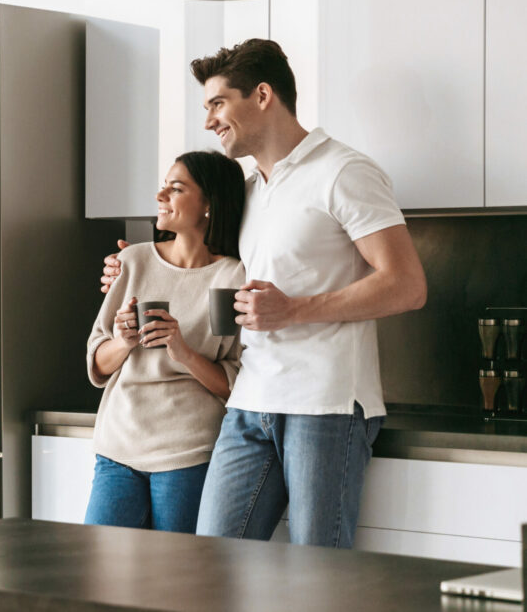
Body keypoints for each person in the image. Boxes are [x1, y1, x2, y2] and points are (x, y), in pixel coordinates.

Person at [99, 39, 427, 548]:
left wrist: (294, 310)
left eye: (217, 104)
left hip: (326, 405)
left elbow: (407, 285)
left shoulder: (344, 172)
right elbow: (200, 267)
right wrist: (128, 265)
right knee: (210, 564)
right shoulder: (249, 192)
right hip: (250, 402)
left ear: (263, 95)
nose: (208, 121)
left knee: (318, 575)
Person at [84, 150, 246, 533]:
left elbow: (233, 384)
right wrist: (123, 342)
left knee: (177, 582)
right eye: (163, 187)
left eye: (175, 189)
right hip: (118, 448)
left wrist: (183, 351)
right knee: (100, 572)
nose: (160, 197)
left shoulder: (233, 276)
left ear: (209, 204)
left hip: (188, 454)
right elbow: (97, 362)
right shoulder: (134, 262)